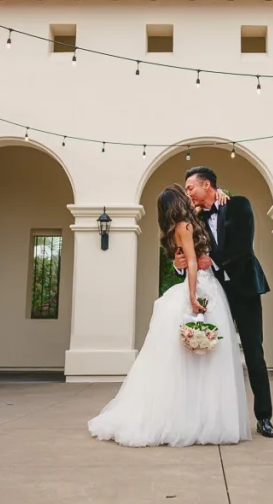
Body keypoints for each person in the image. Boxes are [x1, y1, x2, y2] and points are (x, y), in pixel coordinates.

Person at [87, 184, 250, 447]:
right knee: (196, 355)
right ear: (177, 203)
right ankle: (193, 419)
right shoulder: (184, 226)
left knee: (204, 356)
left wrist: (218, 193)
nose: (189, 195)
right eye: (183, 192)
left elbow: (202, 206)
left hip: (208, 285)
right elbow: (193, 263)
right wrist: (194, 296)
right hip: (201, 286)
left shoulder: (187, 220)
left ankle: (198, 416)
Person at [175, 166, 273, 438]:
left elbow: (243, 245)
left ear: (207, 185)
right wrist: (179, 264)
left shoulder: (239, 205)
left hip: (244, 288)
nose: (187, 193)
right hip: (214, 293)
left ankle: (264, 417)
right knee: (207, 352)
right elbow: (183, 250)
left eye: (190, 187)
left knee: (254, 352)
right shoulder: (192, 219)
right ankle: (209, 418)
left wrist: (214, 260)